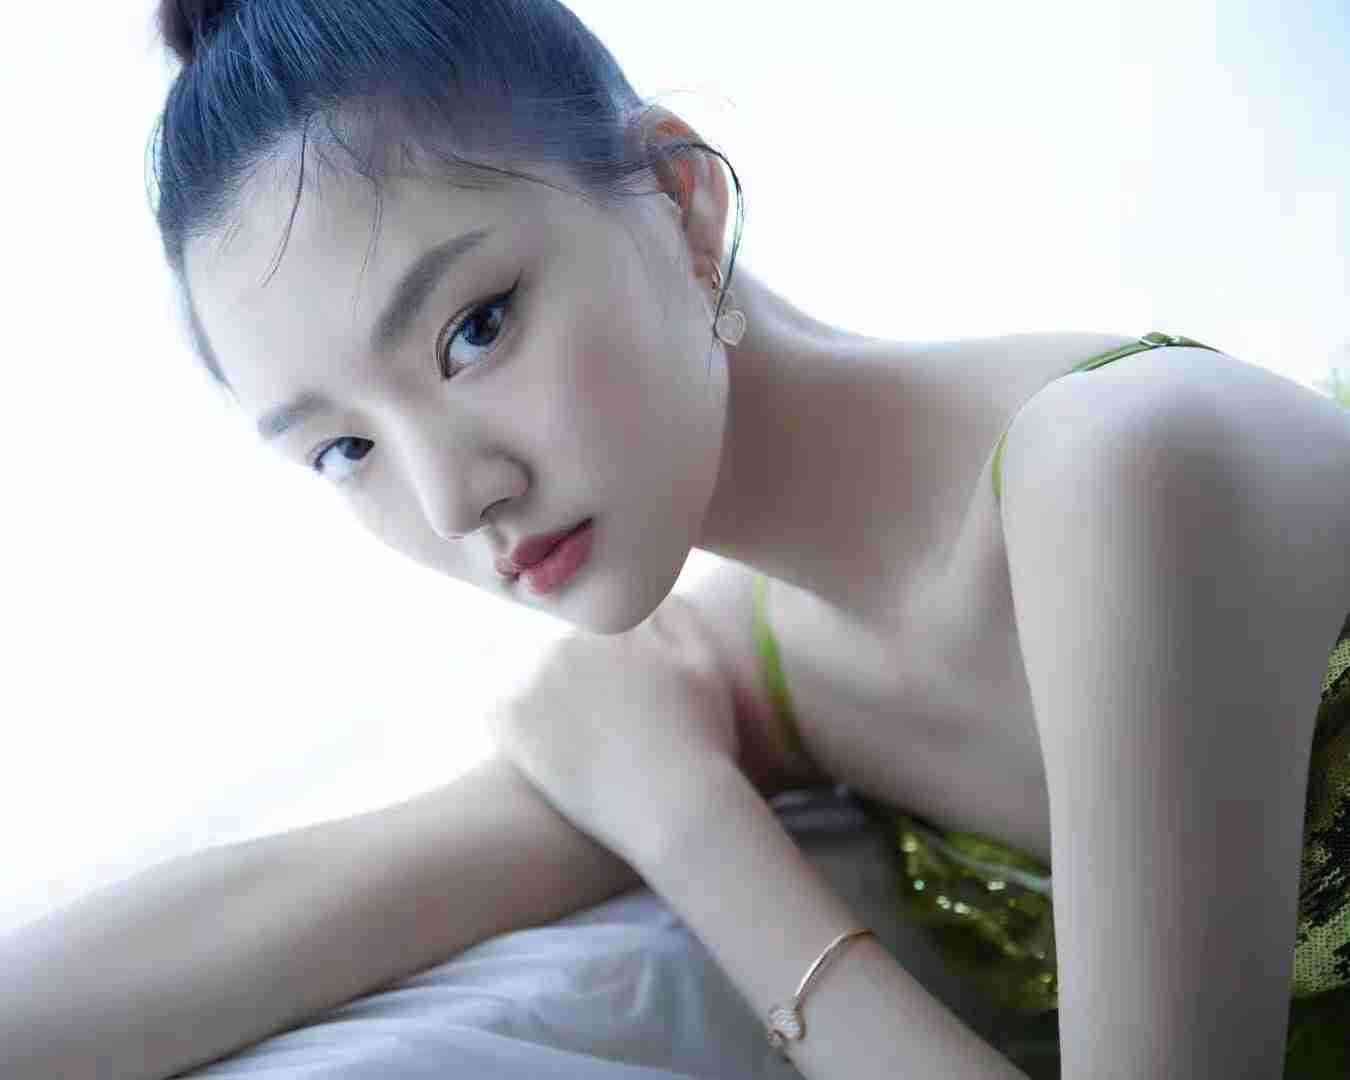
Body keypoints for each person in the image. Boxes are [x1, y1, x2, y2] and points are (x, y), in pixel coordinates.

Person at [5, 2, 1350, 1078]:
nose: (452, 500)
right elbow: (294, 907)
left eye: (474, 329)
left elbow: (654, 795)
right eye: (344, 449)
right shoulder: (759, 665)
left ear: (680, 199)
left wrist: (694, 830)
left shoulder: (1127, 473)